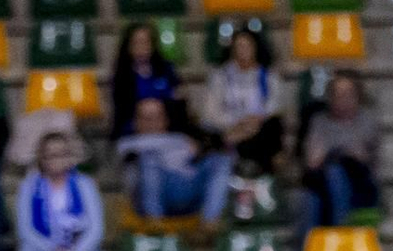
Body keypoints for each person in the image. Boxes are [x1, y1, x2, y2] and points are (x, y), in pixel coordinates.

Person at [117, 96, 231, 231]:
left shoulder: (181, 138)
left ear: (165, 119)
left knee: (220, 160)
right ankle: (156, 228)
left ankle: (210, 224)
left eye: (156, 117)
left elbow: (196, 155)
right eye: (146, 118)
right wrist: (179, 143)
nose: (151, 123)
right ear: (136, 121)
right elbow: (126, 153)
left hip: (188, 190)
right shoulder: (127, 143)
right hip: (153, 199)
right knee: (149, 160)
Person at [298, 71, 382, 235]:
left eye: (348, 94)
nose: (343, 99)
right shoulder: (319, 121)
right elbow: (312, 161)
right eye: (337, 94)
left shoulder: (367, 121)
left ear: (358, 96)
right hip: (322, 184)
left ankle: (339, 234)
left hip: (360, 184)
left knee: (336, 173)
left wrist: (333, 151)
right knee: (309, 199)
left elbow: (363, 157)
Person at [16, 130, 106, 251]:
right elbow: (26, 230)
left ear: (70, 157)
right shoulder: (29, 186)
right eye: (51, 155)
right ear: (42, 159)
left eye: (62, 154)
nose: (56, 160)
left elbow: (96, 229)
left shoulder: (85, 184)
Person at [201, 29, 282, 179]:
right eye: (239, 46)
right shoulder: (220, 76)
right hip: (227, 130)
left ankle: (260, 182)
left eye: (247, 46)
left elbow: (274, 106)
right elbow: (209, 113)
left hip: (258, 129)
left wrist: (253, 122)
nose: (243, 51)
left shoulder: (267, 75)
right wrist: (236, 123)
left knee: (272, 129)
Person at [111, 22, 186, 141]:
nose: (142, 47)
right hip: (134, 133)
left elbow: (178, 100)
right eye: (137, 43)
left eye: (146, 42)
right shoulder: (122, 75)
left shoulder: (166, 69)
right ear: (128, 45)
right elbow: (121, 112)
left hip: (167, 131)